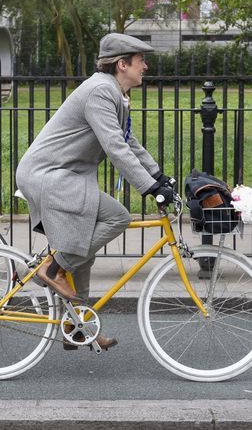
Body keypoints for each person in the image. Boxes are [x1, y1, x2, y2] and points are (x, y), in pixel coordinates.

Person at [15, 33, 175, 350]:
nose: (146, 66)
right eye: (141, 60)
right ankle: (52, 267)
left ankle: (78, 327)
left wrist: (158, 175)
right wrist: (150, 188)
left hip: (67, 178)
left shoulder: (114, 92)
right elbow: (115, 148)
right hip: (50, 177)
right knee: (118, 217)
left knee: (83, 254)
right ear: (122, 64)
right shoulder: (100, 91)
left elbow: (128, 141)